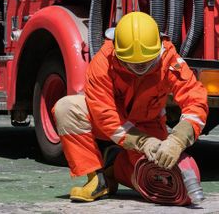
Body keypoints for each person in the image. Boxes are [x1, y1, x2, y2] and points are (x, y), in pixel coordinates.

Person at [52, 12, 208, 202]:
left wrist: (177, 140)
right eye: (133, 63)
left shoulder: (169, 59)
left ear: (158, 49)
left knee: (163, 184)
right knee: (66, 108)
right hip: (111, 126)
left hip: (148, 126)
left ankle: (115, 167)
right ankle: (96, 178)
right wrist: (143, 143)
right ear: (116, 51)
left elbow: (195, 101)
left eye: (146, 62)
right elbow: (105, 116)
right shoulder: (103, 62)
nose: (140, 67)